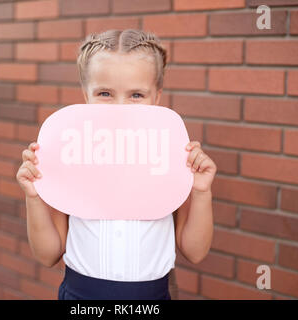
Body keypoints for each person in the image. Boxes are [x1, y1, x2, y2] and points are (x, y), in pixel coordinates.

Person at [15, 29, 217, 300]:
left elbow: (195, 251)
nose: (120, 107)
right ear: (86, 96)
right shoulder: (71, 157)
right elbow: (48, 254)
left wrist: (201, 192)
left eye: (136, 95)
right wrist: (34, 197)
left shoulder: (168, 157)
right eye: (105, 93)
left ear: (156, 97)